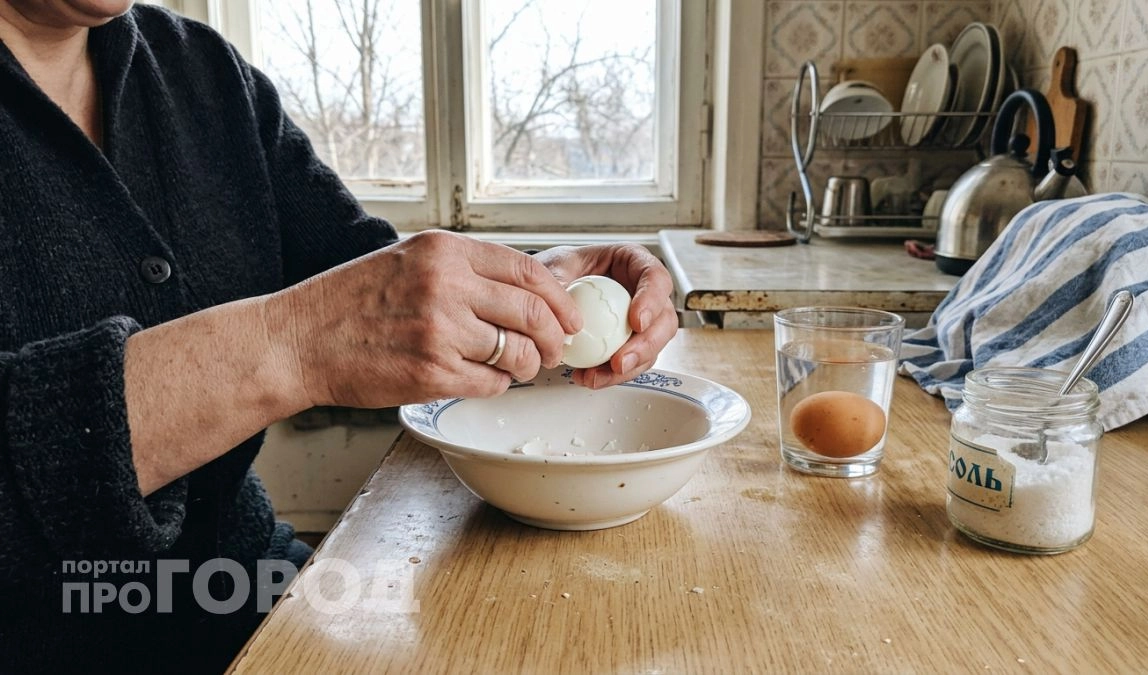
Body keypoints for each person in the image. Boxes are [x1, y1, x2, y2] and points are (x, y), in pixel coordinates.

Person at [0, 1, 678, 671]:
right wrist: (293, 343)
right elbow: (330, 324)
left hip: (255, 597)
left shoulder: (204, 74)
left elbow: (368, 288)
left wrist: (543, 291)